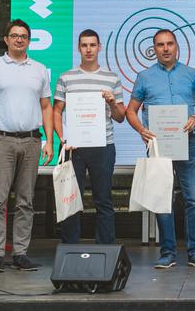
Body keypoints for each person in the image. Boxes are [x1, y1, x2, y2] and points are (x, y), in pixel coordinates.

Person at [126, 29, 195, 269]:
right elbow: (130, 111)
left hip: (187, 142)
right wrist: (141, 130)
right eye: (160, 45)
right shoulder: (144, 77)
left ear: (177, 46)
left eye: (169, 44)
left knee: (193, 199)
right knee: (161, 199)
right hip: (158, 146)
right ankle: (168, 253)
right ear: (153, 48)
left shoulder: (191, 74)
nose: (165, 49)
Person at [0, 19, 53, 272]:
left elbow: (46, 106)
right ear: (6, 39)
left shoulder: (40, 69)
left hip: (32, 140)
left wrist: (50, 140)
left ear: (29, 40)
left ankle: (20, 253)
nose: (20, 39)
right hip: (1, 140)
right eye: (15, 35)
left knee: (26, 201)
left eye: (24, 36)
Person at [53, 29, 126, 244]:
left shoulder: (111, 78)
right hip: (73, 146)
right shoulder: (67, 77)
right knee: (70, 199)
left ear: (99, 47)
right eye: (84, 45)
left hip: (103, 145)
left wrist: (112, 102)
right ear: (78, 48)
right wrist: (63, 137)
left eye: (92, 45)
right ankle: (69, 247)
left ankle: (105, 249)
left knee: (103, 199)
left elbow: (121, 117)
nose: (88, 49)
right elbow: (57, 111)